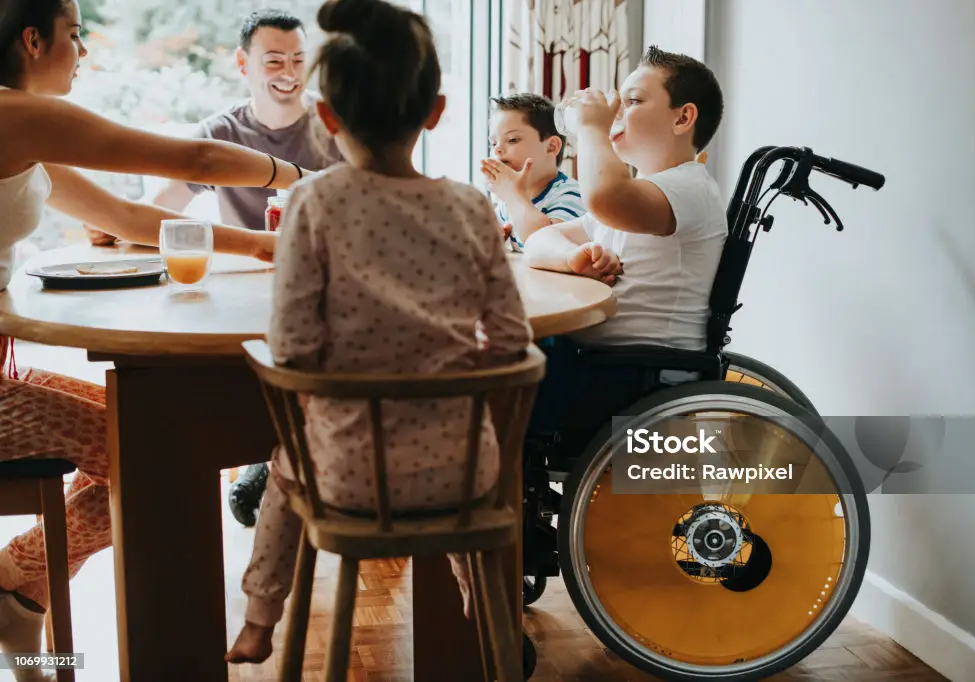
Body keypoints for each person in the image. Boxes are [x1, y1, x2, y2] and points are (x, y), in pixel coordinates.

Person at [0, 2, 307, 676]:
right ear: (31, 39)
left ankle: (18, 591)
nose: (83, 49)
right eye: (75, 34)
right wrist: (299, 179)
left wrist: (264, 245)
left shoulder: (20, 131)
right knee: (155, 451)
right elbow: (193, 156)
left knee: (155, 434)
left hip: (4, 374)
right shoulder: (13, 113)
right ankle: (14, 581)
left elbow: (130, 216)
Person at [225, 0, 533, 664]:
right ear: (437, 111)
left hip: (351, 478)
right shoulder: (472, 208)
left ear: (327, 117)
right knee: (459, 481)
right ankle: (487, 616)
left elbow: (295, 347)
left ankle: (258, 616)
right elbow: (511, 339)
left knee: (286, 463)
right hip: (465, 471)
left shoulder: (314, 201)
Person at [142, 8, 346, 529]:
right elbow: (161, 207)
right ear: (243, 64)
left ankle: (275, 459)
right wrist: (119, 223)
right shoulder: (222, 132)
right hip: (248, 294)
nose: (288, 72)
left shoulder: (335, 125)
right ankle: (270, 454)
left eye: (299, 59)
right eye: (274, 59)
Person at [521, 45, 728, 452]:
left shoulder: (689, 189)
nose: (615, 111)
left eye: (632, 101)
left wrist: (592, 129)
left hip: (639, 379)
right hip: (603, 365)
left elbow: (603, 197)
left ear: (683, 117)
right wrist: (571, 258)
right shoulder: (640, 195)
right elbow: (539, 239)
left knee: (499, 376)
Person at [481, 93, 587, 252]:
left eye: (512, 140)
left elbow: (545, 247)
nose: (497, 149)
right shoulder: (508, 201)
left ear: (551, 147)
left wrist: (513, 196)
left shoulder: (572, 195)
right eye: (493, 143)